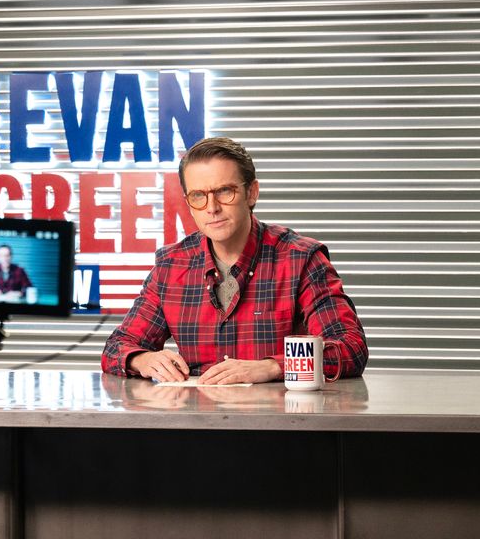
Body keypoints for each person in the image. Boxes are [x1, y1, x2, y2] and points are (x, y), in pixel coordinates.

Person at [101, 137, 368, 384]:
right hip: (195, 424)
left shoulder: (301, 260)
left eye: (224, 191)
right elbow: (117, 347)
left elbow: (349, 348)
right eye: (198, 196)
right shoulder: (171, 266)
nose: (212, 207)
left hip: (280, 424)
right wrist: (142, 359)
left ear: (252, 193)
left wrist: (272, 367)